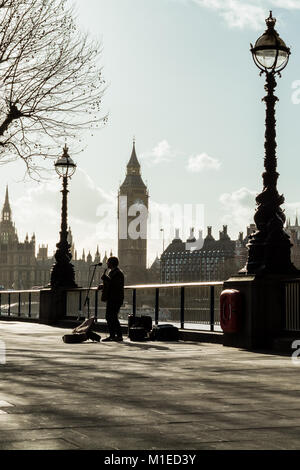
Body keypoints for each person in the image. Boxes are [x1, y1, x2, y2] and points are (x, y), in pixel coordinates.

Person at [98, 256, 124, 342]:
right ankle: (113, 335)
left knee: (112, 317)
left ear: (112, 263)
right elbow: (110, 284)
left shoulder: (118, 273)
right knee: (110, 317)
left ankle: (118, 335)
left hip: (115, 298)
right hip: (111, 298)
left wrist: (105, 279)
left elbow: (115, 285)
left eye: (108, 262)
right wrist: (103, 285)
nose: (107, 264)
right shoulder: (112, 272)